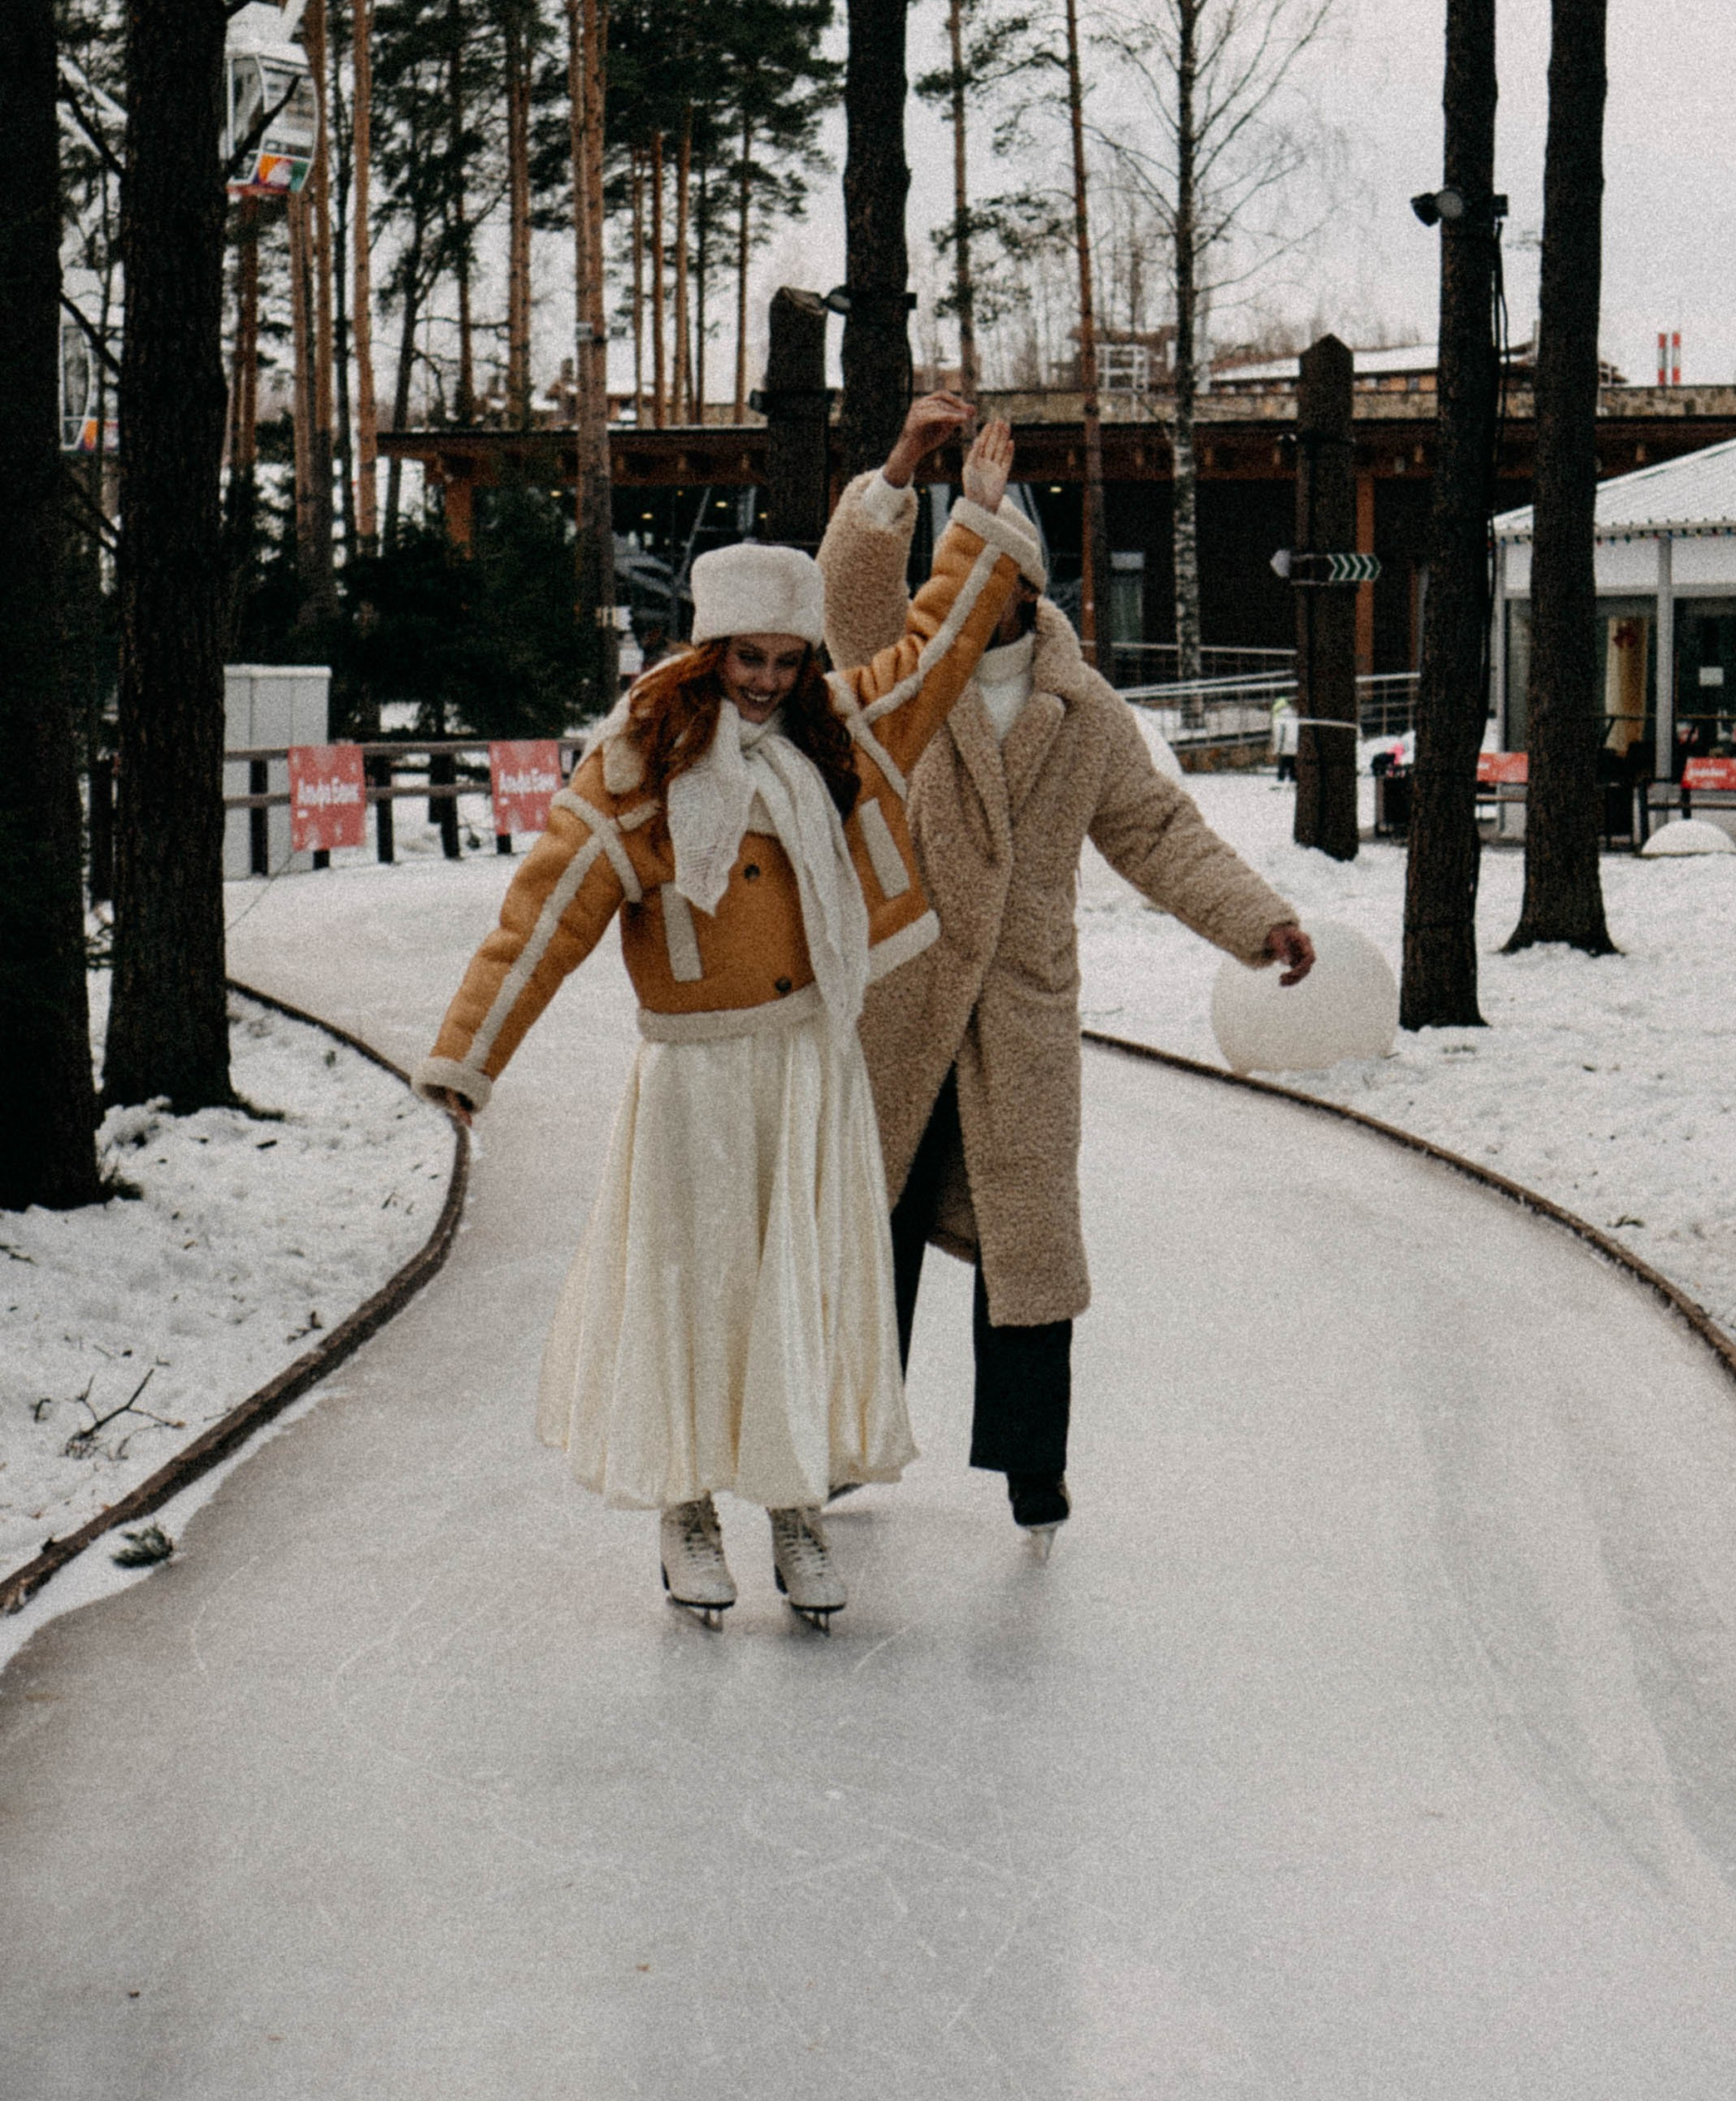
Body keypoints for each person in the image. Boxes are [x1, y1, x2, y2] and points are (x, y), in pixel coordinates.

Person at [414, 409, 1043, 1632]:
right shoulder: (637, 768)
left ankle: (795, 1505)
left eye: (786, 661)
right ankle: (688, 1507)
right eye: (745, 659)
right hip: (697, 1078)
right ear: (706, 652)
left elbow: (934, 646)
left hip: (811, 1068)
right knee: (701, 1292)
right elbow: (540, 917)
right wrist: (468, 1057)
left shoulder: (837, 744)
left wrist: (939, 497)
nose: (765, 682)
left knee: (799, 1290)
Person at [820, 424, 1315, 1553]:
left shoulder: (1085, 710)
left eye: (995, 568)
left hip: (1019, 1006)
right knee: (869, 1226)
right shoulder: (900, 670)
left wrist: (1259, 922)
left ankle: (1033, 1467)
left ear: (1027, 584)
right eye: (963, 564)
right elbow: (850, 587)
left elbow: (1157, 831)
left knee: (1030, 1244)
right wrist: (900, 474)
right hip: (898, 1000)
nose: (974, 591)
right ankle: (843, 1450)